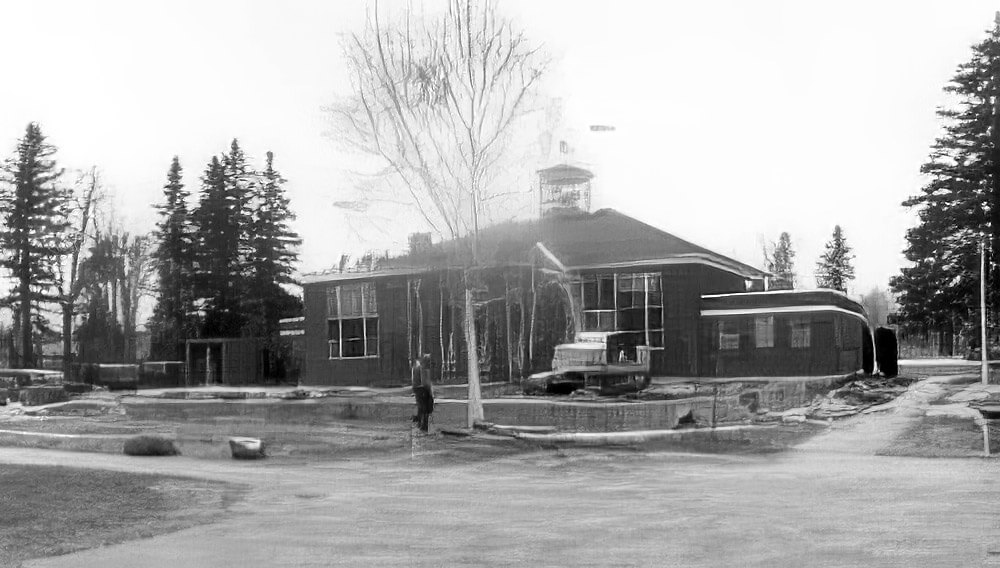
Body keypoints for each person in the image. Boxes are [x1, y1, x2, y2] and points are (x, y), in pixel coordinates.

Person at [411, 354, 434, 433]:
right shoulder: (423, 368)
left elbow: (414, 380)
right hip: (423, 389)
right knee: (425, 409)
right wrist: (430, 392)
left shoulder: (416, 367)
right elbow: (426, 382)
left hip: (418, 389)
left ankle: (420, 424)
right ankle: (423, 426)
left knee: (421, 408)